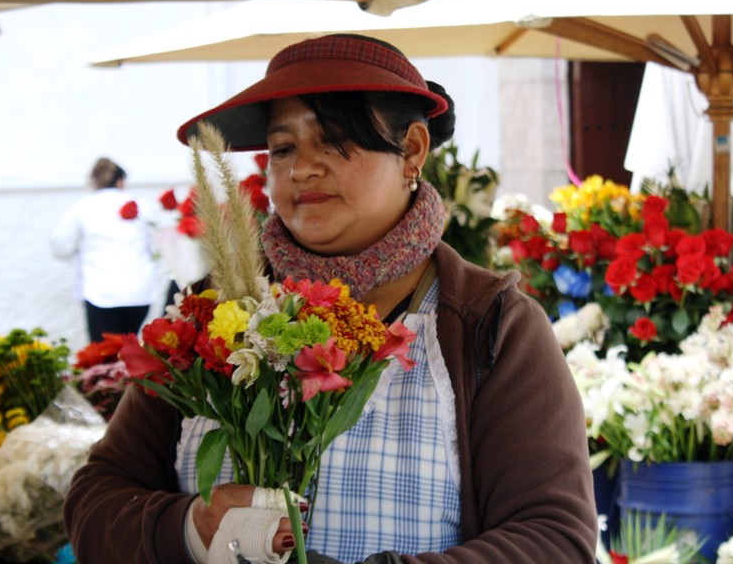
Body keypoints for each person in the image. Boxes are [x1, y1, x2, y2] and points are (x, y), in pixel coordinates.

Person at [64, 34, 598, 563]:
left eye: (335, 139)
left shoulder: (490, 325)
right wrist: (188, 528)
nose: (302, 169)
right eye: (283, 148)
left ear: (412, 150)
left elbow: (553, 537)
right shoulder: (212, 316)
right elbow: (95, 503)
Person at [51, 157, 160, 342]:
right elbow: (156, 242)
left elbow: (59, 245)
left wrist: (77, 252)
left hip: (100, 293)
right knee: (130, 350)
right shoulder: (139, 205)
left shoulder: (82, 207)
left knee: (102, 356)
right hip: (139, 292)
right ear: (120, 181)